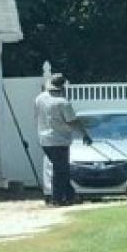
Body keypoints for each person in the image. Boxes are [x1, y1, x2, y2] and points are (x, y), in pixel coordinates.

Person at [35, 74, 92, 206]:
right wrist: (85, 134)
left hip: (44, 139)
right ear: (62, 87)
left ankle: (70, 196)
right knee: (60, 170)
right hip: (59, 140)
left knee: (61, 169)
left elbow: (36, 116)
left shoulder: (40, 98)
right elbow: (72, 121)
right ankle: (57, 199)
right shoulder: (62, 102)